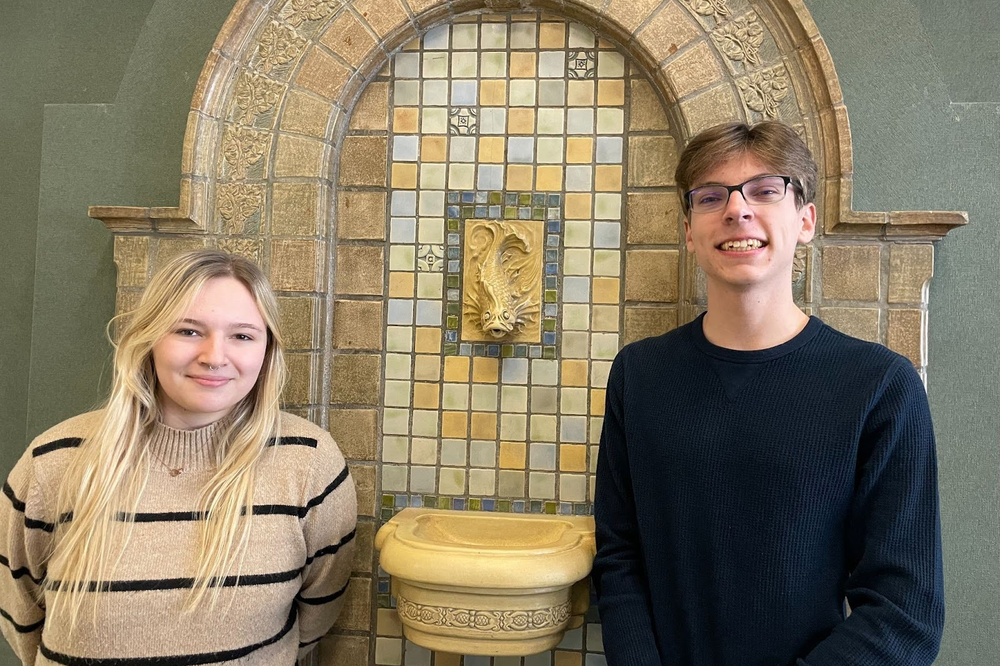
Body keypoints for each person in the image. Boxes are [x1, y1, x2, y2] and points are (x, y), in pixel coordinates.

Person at [592, 121, 943, 665]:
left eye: (764, 190)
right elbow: (620, 557)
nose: (737, 210)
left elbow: (905, 610)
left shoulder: (879, 387)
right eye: (712, 197)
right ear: (689, 230)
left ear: (804, 219)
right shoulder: (640, 376)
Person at [0, 249, 357, 664]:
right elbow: (19, 612)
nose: (214, 356)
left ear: (266, 351)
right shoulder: (53, 461)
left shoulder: (309, 464)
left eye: (242, 335)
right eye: (188, 331)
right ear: (150, 338)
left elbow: (317, 613)